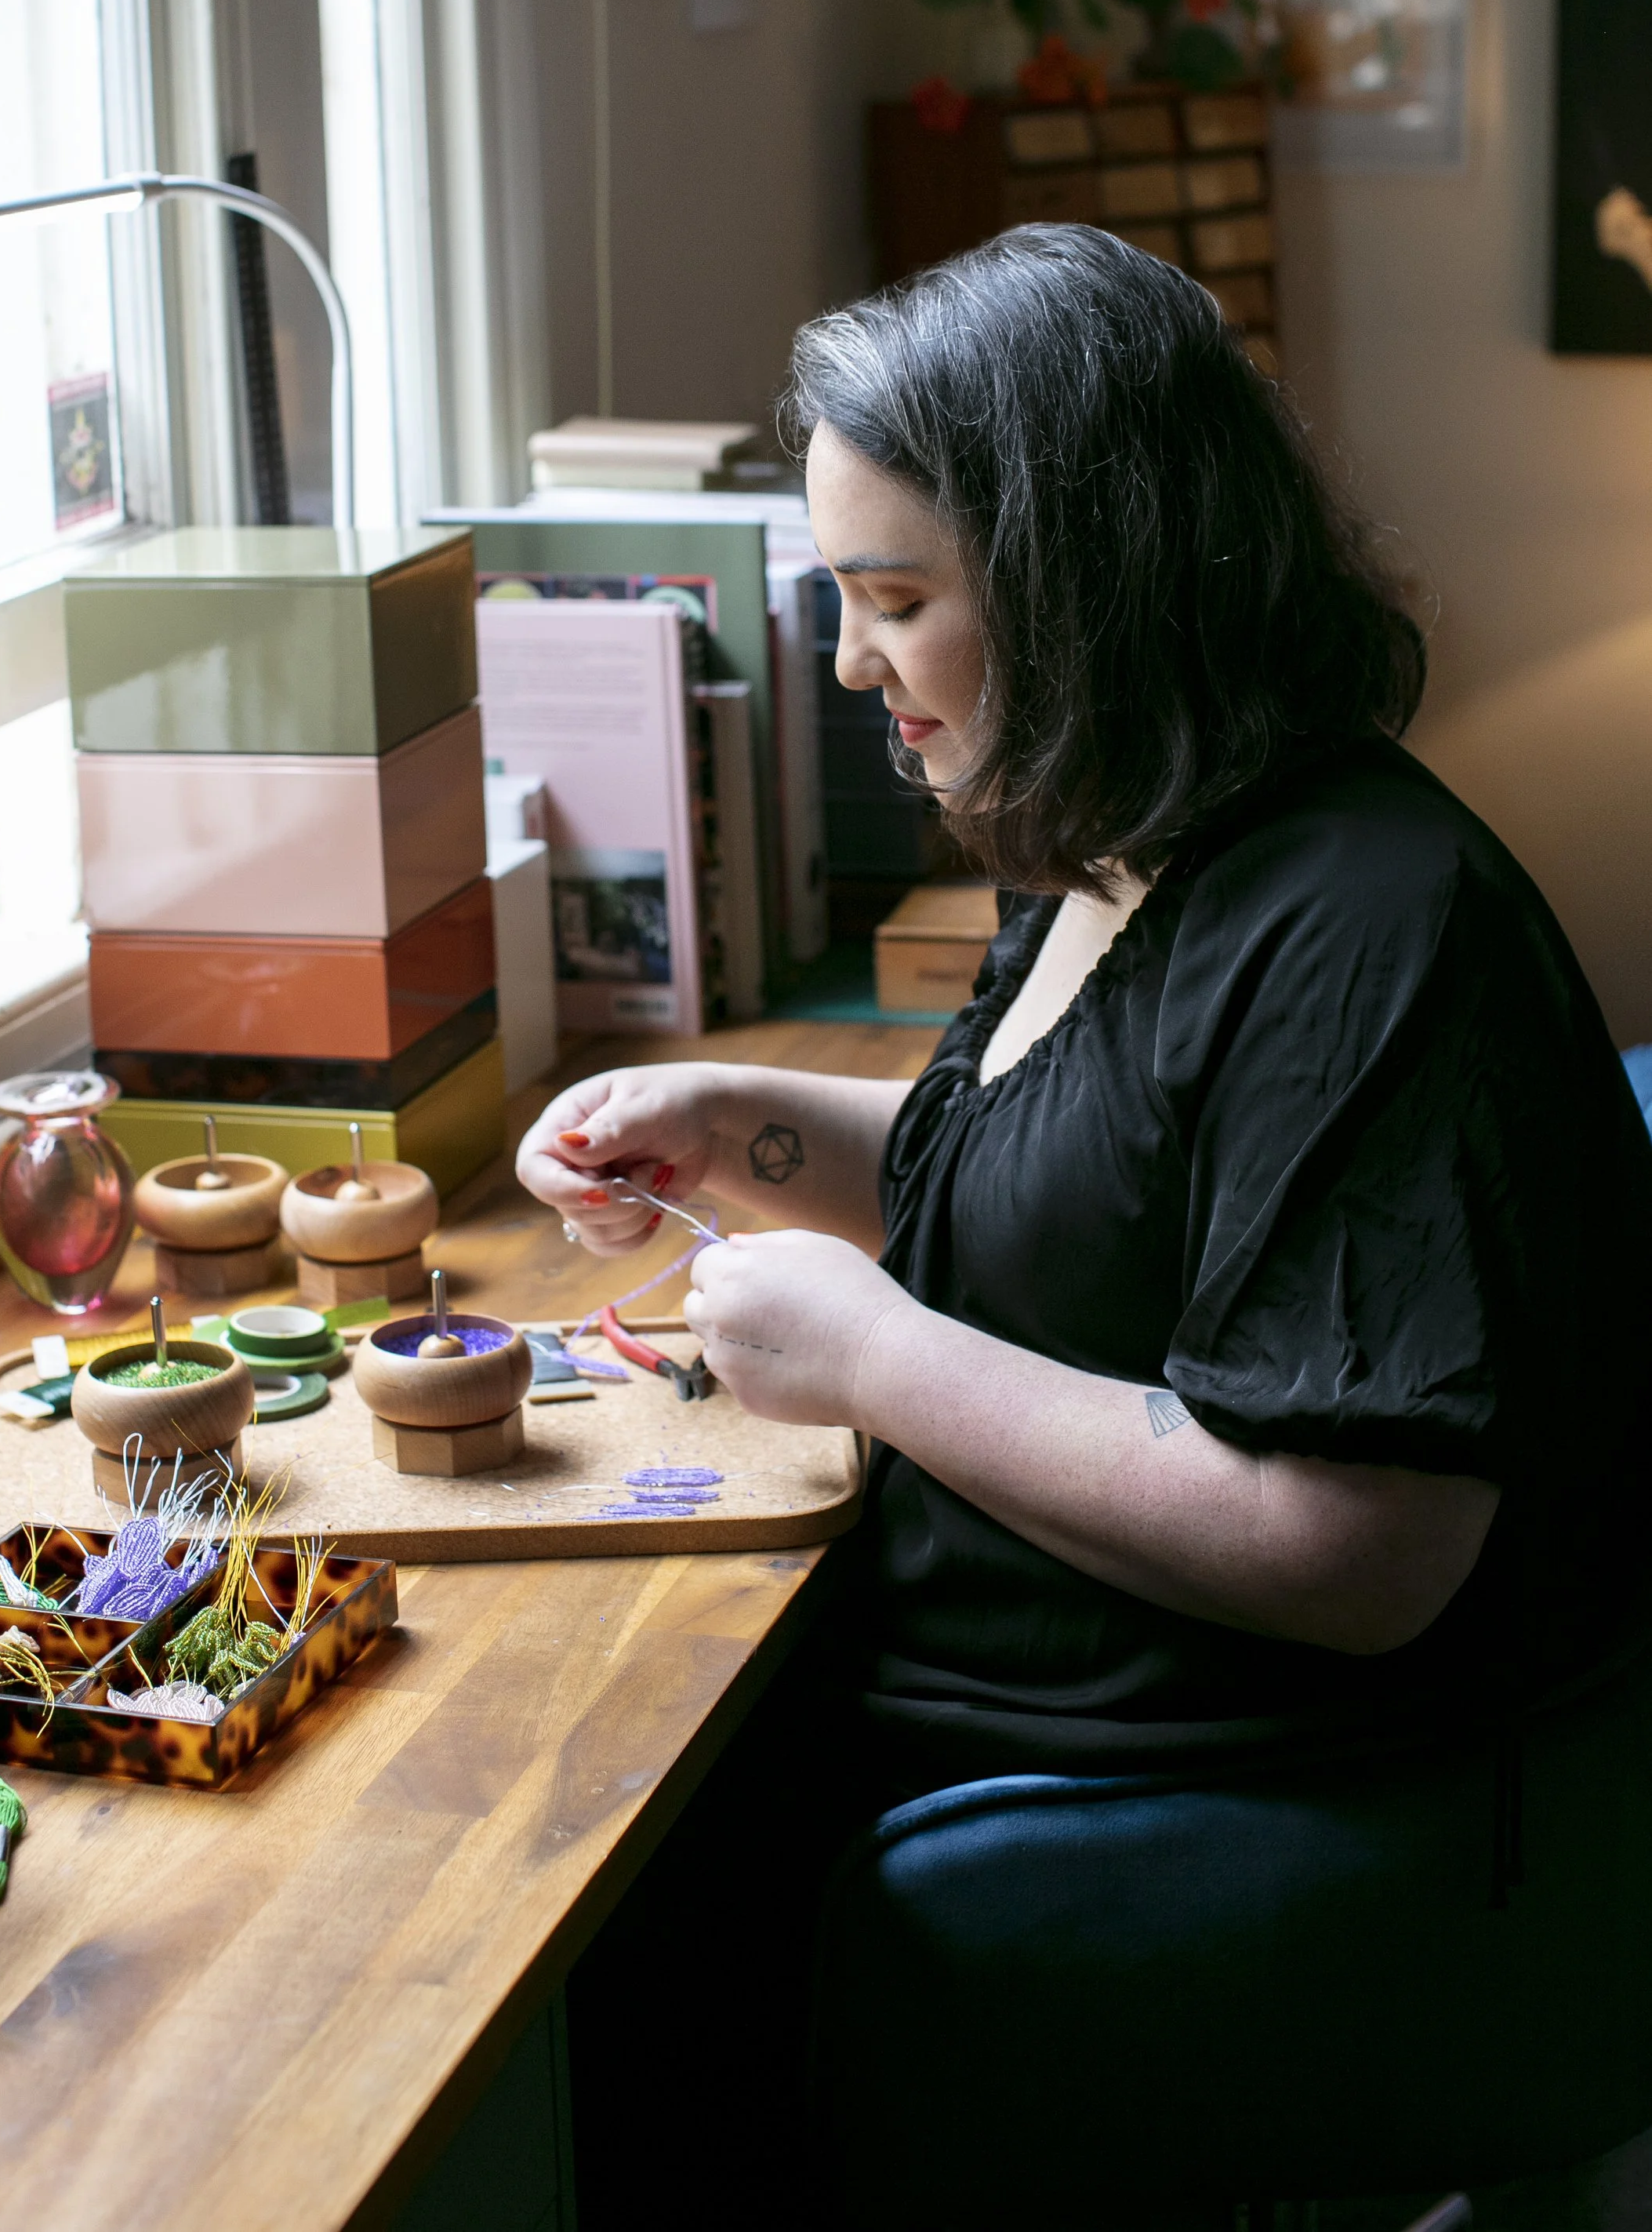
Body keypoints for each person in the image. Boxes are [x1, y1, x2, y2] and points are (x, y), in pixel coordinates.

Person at [526, 227, 1652, 2215]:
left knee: (575, 1926)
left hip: (1225, 1792)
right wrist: (727, 1122)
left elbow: (1356, 1542)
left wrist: (870, 1353)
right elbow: (1064, 1172)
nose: (853, 662)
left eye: (894, 601)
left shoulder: (1362, 926)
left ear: (1079, 586)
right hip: (1049, 1710)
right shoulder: (1125, 842)